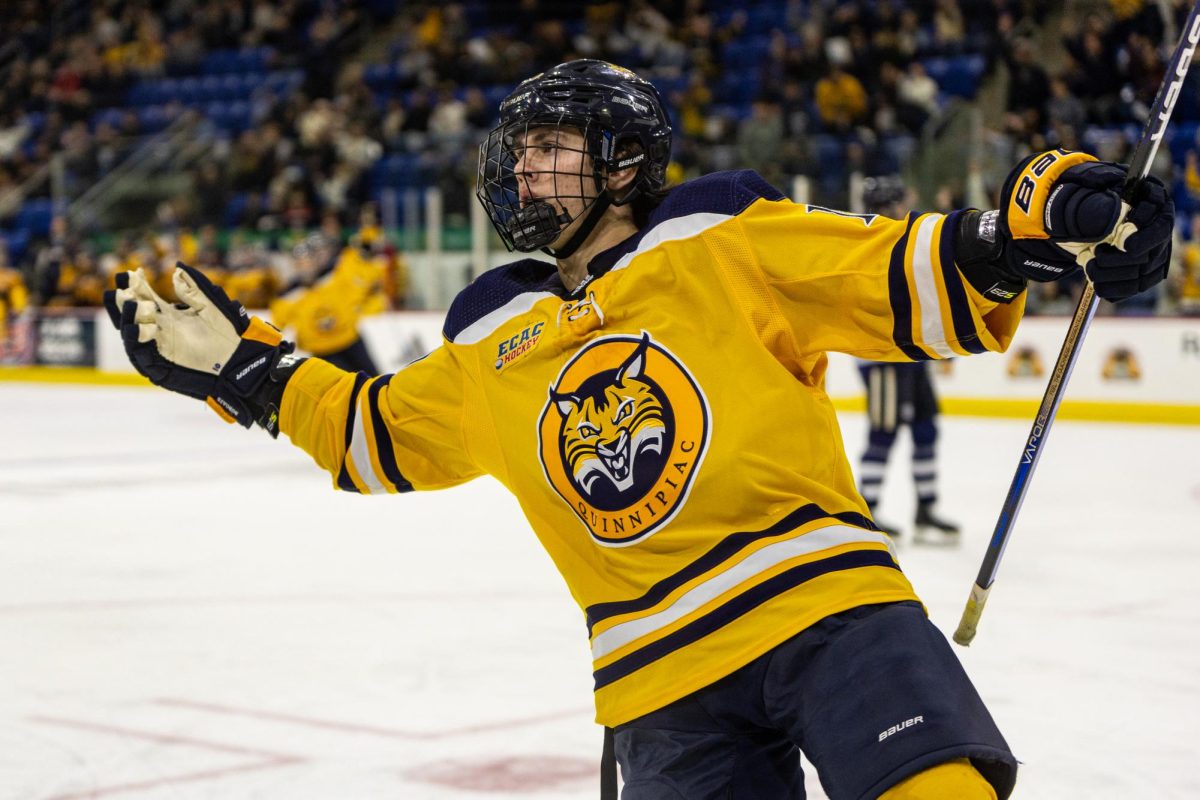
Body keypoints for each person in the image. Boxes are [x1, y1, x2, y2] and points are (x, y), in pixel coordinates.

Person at [104, 60, 1173, 799]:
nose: (523, 171)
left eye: (551, 149)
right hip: (655, 677)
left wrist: (1040, 223)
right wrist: (252, 371)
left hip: (828, 607)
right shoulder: (491, 327)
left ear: (622, 161)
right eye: (518, 155)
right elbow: (375, 434)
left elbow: (896, 265)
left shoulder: (718, 232)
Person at [856, 175, 961, 545]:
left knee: (925, 427)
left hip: (911, 354)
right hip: (883, 357)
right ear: (886, 206)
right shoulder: (869, 243)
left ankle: (925, 509)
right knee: (883, 432)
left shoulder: (898, 239)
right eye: (900, 202)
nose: (906, 209)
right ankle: (865, 511)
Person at [269, 231, 381, 374]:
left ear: (316, 260)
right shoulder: (287, 296)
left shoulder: (335, 274)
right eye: (300, 262)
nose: (305, 266)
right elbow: (277, 325)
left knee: (374, 383)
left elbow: (366, 274)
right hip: (321, 351)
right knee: (344, 391)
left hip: (350, 341)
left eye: (308, 260)